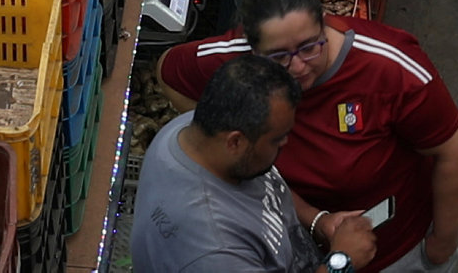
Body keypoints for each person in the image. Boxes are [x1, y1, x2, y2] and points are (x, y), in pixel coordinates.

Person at [154, 0, 458, 273]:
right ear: (252, 50)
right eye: (278, 57)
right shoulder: (217, 251)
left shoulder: (390, 69)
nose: (298, 67)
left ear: (325, 23)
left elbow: (454, 147)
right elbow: (168, 71)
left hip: (394, 253)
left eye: (309, 47)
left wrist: (442, 245)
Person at [131, 56, 377, 273]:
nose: (285, 143)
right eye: (277, 139)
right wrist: (342, 262)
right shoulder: (214, 251)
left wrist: (318, 222)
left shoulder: (198, 130)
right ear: (235, 142)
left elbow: (268, 189)